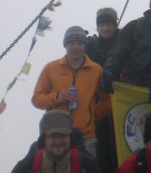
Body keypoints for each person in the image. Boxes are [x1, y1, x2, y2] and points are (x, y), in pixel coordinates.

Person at [32, 26, 108, 156]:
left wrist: (91, 115)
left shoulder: (96, 70)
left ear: (85, 46)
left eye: (80, 43)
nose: (75, 47)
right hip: (55, 137)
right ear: (65, 45)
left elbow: (108, 100)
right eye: (71, 43)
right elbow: (36, 99)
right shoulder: (51, 68)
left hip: (85, 137)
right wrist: (57, 98)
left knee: (86, 170)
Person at [86, 7, 121, 173]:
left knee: (118, 147)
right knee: (102, 150)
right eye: (102, 25)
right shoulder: (91, 46)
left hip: (121, 102)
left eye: (109, 24)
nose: (105, 28)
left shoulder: (123, 41)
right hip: (99, 104)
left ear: (115, 25)